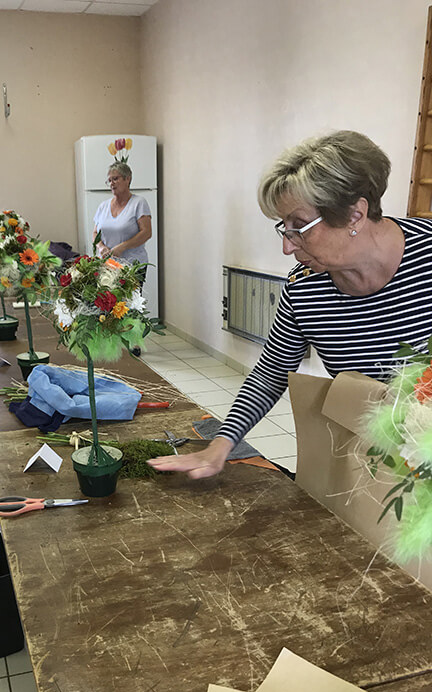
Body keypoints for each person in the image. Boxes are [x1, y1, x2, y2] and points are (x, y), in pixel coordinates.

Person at [149, 129, 431, 478]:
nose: (287, 247)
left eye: (300, 226)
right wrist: (220, 446)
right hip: (381, 457)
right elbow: (270, 374)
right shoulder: (305, 289)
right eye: (284, 227)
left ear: (355, 215)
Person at [92, 162, 152, 276]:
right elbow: (95, 233)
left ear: (127, 179)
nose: (111, 183)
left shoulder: (139, 203)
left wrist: (122, 247)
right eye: (109, 180)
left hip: (131, 267)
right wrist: (101, 247)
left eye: (115, 179)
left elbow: (146, 232)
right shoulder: (103, 206)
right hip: (107, 266)